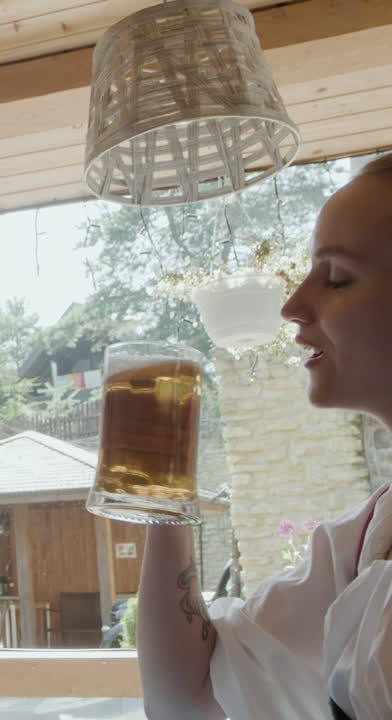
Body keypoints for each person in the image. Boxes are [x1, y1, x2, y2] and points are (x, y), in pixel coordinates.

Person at [136, 153, 392, 720]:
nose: (293, 305)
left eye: (337, 277)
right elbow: (187, 696)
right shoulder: (366, 542)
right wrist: (165, 488)